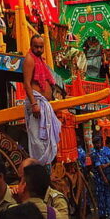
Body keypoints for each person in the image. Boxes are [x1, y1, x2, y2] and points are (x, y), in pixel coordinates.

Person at [22, 35, 62, 165]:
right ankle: (39, 166)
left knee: (46, 138)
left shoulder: (40, 60)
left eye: (41, 47)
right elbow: (27, 84)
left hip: (43, 103)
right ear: (31, 46)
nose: (39, 49)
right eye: (36, 46)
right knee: (38, 139)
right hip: (36, 103)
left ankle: (45, 166)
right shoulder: (29, 59)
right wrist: (34, 104)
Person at [90, 136, 110, 219]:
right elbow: (100, 167)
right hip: (99, 177)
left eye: (99, 142)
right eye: (96, 143)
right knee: (100, 196)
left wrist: (106, 165)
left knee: (107, 194)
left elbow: (107, 163)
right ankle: (102, 214)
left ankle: (107, 212)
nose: (98, 144)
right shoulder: (93, 153)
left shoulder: (103, 151)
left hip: (106, 175)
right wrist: (104, 177)